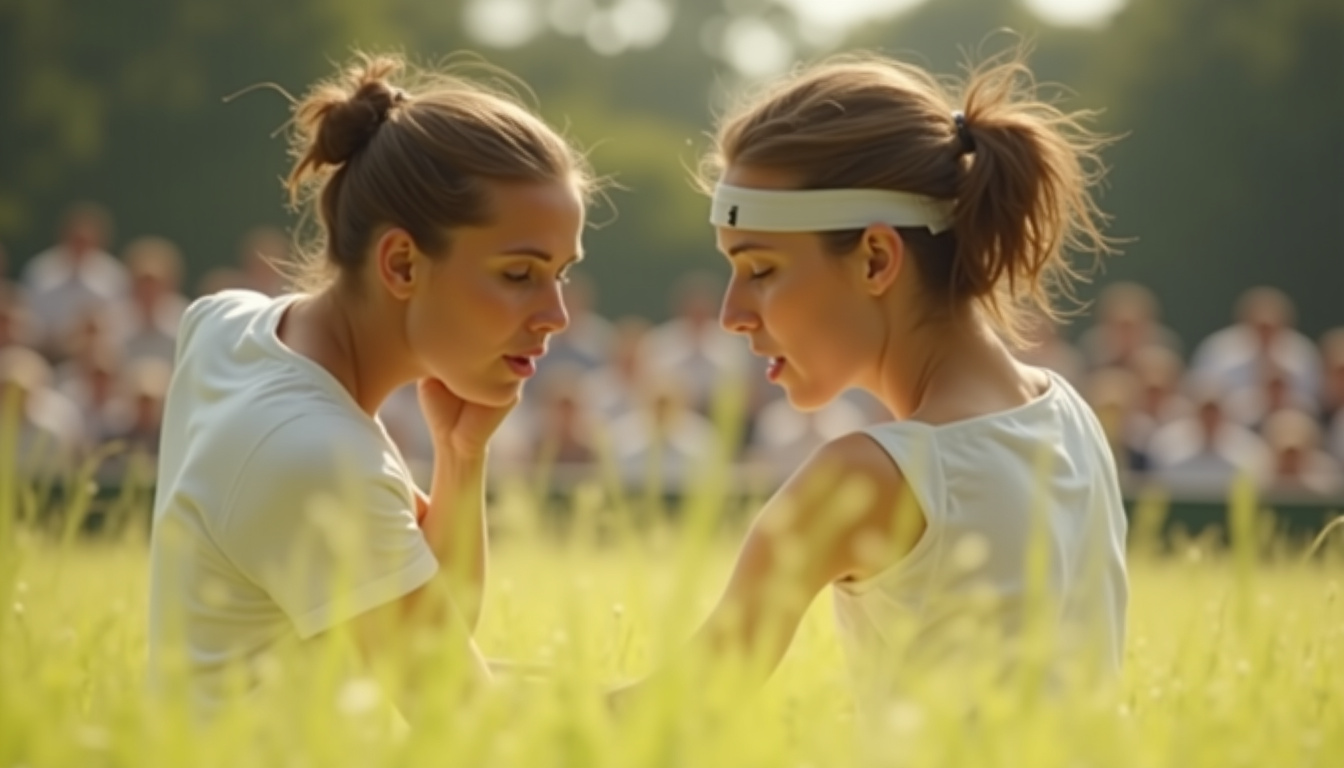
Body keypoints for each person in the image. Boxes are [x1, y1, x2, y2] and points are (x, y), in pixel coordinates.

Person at [614, 50, 1128, 720]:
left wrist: (464, 688)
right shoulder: (1072, 417)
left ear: (877, 258)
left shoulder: (867, 476)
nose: (731, 315)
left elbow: (672, 715)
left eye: (761, 269)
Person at [146, 53, 594, 718]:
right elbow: (459, 718)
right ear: (403, 262)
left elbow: (434, 628)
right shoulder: (315, 453)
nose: (556, 315)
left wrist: (461, 454)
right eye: (519, 274)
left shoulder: (223, 324)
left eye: (561, 273)